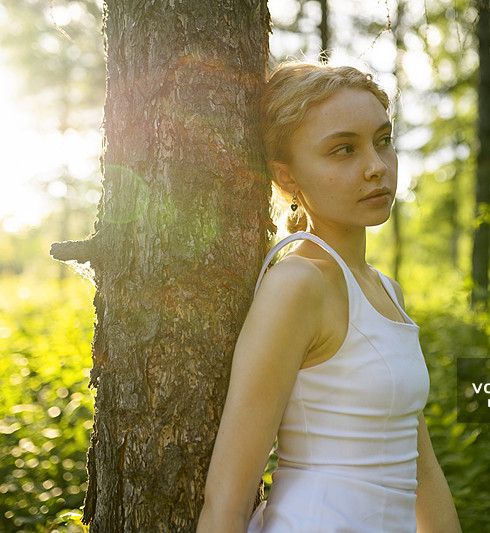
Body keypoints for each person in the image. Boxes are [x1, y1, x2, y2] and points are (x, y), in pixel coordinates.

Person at [196, 61, 461, 533]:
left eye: (383, 140)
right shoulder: (298, 284)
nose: (376, 167)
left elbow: (421, 471)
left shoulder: (386, 290)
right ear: (287, 177)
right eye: (344, 149)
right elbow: (225, 503)